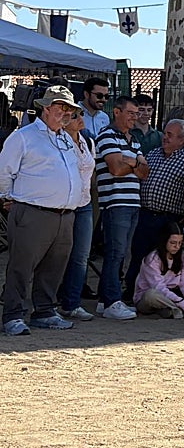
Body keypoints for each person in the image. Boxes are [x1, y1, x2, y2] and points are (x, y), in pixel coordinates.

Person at [0, 86, 85, 335]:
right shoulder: (23, 137)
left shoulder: (65, 138)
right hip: (33, 212)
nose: (66, 113)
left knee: (54, 266)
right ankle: (13, 315)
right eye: (61, 108)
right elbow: (4, 172)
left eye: (70, 109)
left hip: (64, 214)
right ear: (45, 109)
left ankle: (45, 311)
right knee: (21, 266)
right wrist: (8, 197)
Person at [124, 119, 184, 303]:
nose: (165, 137)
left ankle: (165, 295)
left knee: (163, 259)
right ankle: (132, 293)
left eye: (170, 135)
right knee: (138, 255)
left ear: (181, 140)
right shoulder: (153, 154)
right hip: (145, 214)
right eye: (165, 133)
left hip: (168, 218)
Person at [95, 96, 148, 321]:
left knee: (120, 253)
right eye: (131, 113)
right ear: (117, 112)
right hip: (115, 202)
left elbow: (145, 172)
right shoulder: (107, 135)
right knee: (115, 253)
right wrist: (135, 164)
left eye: (137, 114)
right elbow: (116, 169)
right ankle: (111, 302)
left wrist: (132, 163)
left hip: (132, 202)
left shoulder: (133, 139)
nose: (135, 118)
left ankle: (102, 300)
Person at [57, 105, 98, 321]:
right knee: (57, 256)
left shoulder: (87, 141)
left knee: (81, 256)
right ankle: (50, 301)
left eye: (80, 114)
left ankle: (71, 303)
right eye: (74, 116)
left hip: (83, 205)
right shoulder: (58, 142)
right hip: (63, 205)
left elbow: (91, 175)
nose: (79, 118)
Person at [132, 224, 184, 318]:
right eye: (173, 243)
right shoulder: (152, 259)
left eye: (180, 243)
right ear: (164, 241)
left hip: (175, 294)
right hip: (156, 296)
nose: (177, 247)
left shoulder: (181, 255)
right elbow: (159, 287)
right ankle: (183, 310)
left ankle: (176, 310)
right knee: (151, 295)